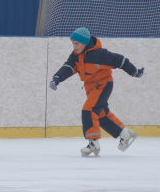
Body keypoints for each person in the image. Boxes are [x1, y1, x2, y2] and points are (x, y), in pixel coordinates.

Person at [49, 27, 144, 157]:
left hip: (103, 85)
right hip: (91, 88)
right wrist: (57, 78)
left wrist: (134, 72)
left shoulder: (99, 54)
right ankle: (124, 134)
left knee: (88, 110)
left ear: (85, 42)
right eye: (73, 43)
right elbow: (68, 67)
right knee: (101, 115)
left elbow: (120, 60)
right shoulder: (76, 56)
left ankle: (93, 143)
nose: (74, 46)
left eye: (77, 43)